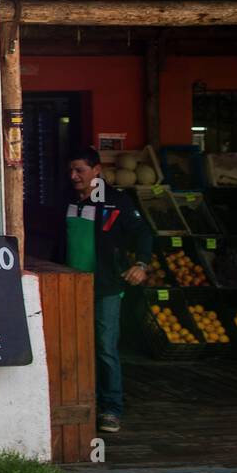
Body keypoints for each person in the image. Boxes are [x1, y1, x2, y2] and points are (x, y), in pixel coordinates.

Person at [62, 147, 152, 434]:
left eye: (80, 170)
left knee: (105, 347)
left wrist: (141, 264)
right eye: (71, 170)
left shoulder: (116, 201)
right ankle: (76, 402)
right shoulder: (65, 200)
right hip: (68, 286)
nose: (74, 176)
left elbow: (143, 233)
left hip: (106, 286)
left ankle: (111, 409)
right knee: (72, 346)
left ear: (97, 170)